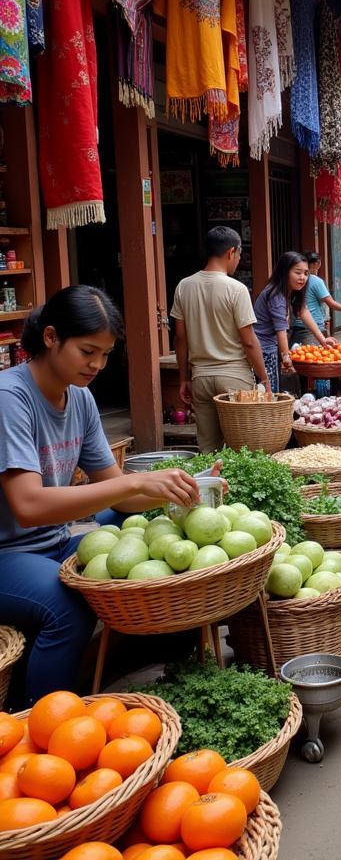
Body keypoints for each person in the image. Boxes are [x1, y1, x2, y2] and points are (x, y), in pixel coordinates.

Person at [0, 287, 205, 702]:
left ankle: (155, 657)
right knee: (67, 607)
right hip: (8, 555)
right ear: (51, 337)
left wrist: (182, 487)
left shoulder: (80, 399)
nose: (97, 365)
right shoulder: (10, 398)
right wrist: (134, 481)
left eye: (106, 354)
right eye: (87, 351)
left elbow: (121, 498)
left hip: (53, 542)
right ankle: (38, 724)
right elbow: (29, 506)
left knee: (144, 529)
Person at [171, 227, 272, 453]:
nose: (238, 260)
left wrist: (183, 379)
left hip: (200, 377)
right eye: (239, 255)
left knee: (208, 447)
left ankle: (211, 486)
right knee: (242, 446)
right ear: (231, 252)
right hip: (234, 376)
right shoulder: (236, 289)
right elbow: (249, 341)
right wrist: (264, 379)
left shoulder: (184, 286)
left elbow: (180, 338)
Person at [254, 252, 337, 392]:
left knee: (273, 391)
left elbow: (303, 311)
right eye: (298, 273)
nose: (302, 278)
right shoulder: (277, 296)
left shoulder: (290, 292)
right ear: (284, 272)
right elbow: (280, 330)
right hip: (264, 349)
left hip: (270, 347)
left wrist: (323, 341)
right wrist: (286, 356)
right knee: (269, 392)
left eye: (306, 273)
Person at [294, 251, 341, 345]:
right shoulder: (315, 281)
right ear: (317, 264)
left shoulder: (297, 280)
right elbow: (331, 303)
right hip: (311, 330)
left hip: (297, 327)